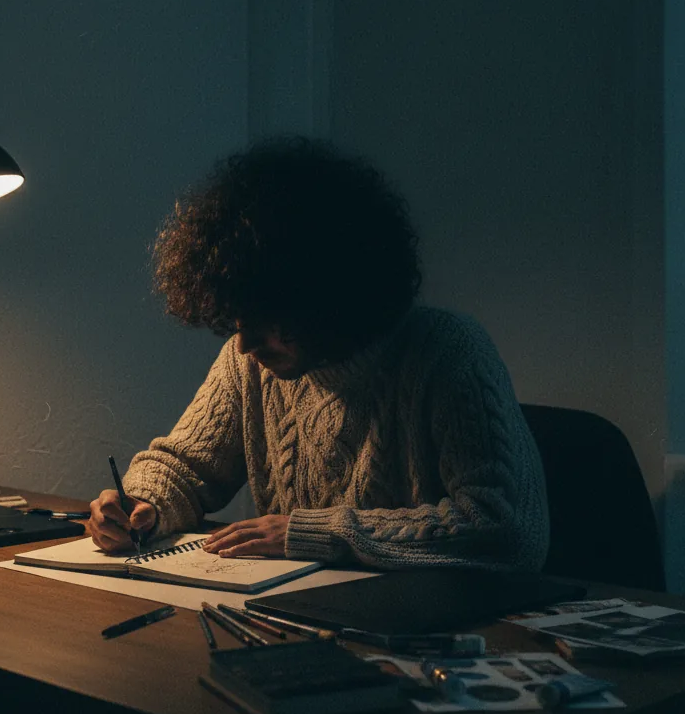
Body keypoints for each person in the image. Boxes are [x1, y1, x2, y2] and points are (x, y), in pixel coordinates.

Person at [85, 137, 549, 571]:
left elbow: (506, 529)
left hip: (431, 632)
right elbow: (182, 466)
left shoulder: (447, 352)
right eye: (237, 323)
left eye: (269, 324)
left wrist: (313, 532)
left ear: (330, 301)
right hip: (295, 617)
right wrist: (141, 503)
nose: (244, 345)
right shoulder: (247, 363)